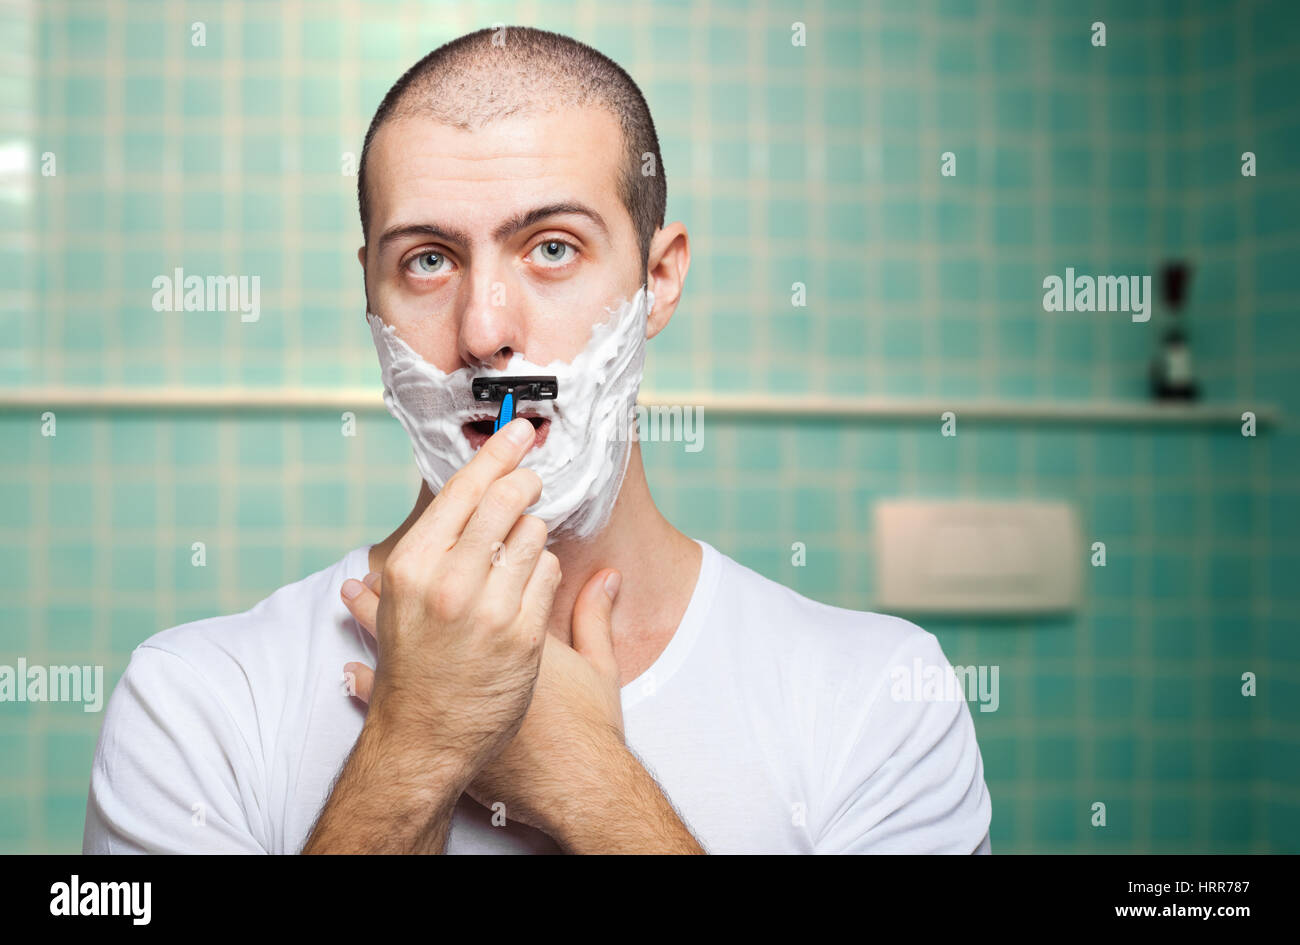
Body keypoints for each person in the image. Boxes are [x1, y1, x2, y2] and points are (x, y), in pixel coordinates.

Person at [84, 26, 991, 854]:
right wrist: (414, 746)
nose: (484, 330)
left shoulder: (878, 698)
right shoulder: (194, 704)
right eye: (428, 259)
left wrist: (591, 783)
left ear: (660, 279)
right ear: (371, 293)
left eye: (552, 248)